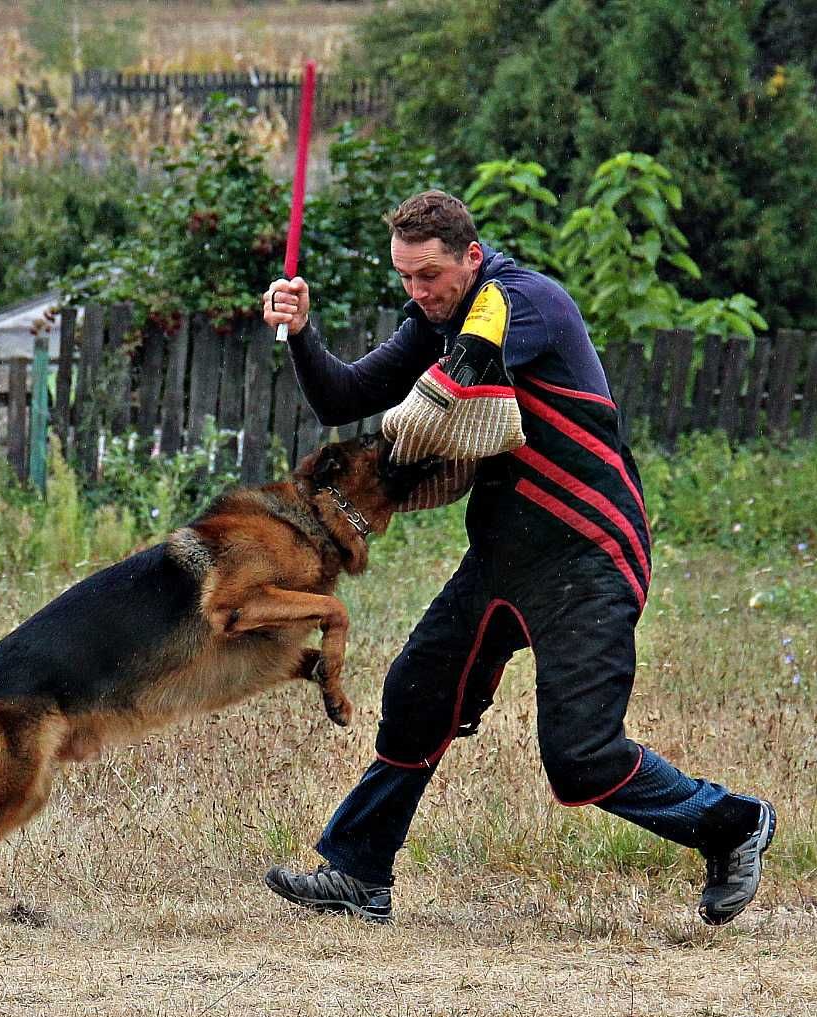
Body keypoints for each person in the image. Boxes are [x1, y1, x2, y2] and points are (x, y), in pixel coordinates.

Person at [259, 190, 775, 926]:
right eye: (405, 278)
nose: (418, 293)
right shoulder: (434, 319)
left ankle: (732, 823)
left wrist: (405, 437)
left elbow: (477, 356)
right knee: (417, 697)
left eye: (430, 275)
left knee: (581, 758)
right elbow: (344, 397)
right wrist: (302, 332)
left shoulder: (527, 302)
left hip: (592, 552)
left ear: (471, 256)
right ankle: (358, 873)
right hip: (504, 555)